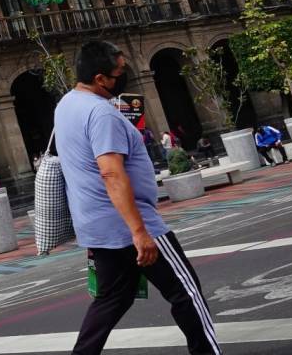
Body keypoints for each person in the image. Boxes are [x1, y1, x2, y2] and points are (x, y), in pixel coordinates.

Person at [55, 41, 221, 355]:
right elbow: (111, 173)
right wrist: (139, 232)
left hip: (97, 225)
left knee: (112, 298)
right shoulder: (101, 114)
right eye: (119, 73)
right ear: (101, 79)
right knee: (185, 292)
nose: (124, 77)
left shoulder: (66, 104)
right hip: (130, 223)